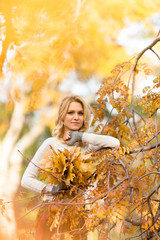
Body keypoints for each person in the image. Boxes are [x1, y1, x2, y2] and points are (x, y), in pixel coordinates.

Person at [21, 94, 120, 240]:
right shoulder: (51, 143)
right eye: (71, 112)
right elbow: (26, 179)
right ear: (62, 116)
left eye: (80, 113)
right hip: (51, 212)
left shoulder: (87, 146)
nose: (76, 117)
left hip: (77, 214)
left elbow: (115, 143)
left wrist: (81, 136)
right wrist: (51, 189)